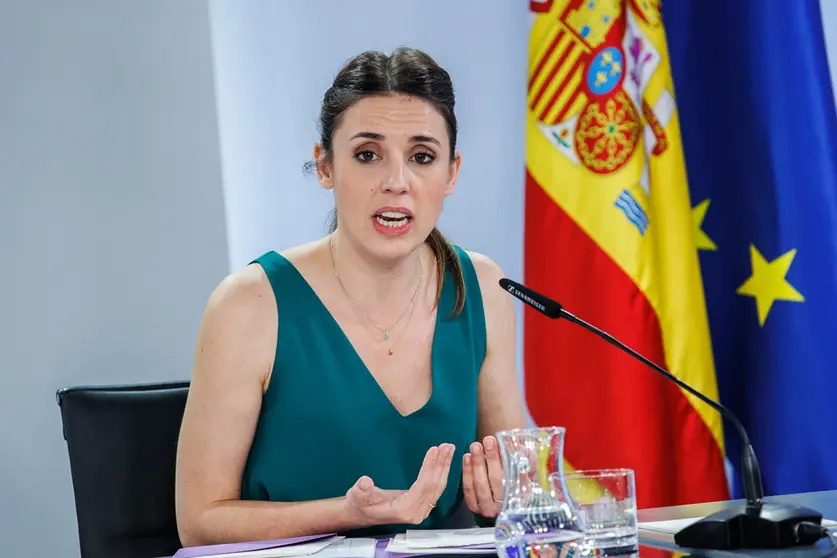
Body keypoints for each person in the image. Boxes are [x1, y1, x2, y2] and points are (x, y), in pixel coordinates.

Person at [174, 46, 527, 547]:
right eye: (367, 155)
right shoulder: (248, 303)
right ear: (325, 166)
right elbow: (200, 521)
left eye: (422, 157)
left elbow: (513, 487)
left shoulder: (481, 288)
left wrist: (502, 498)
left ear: (451, 172)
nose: (396, 183)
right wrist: (347, 513)